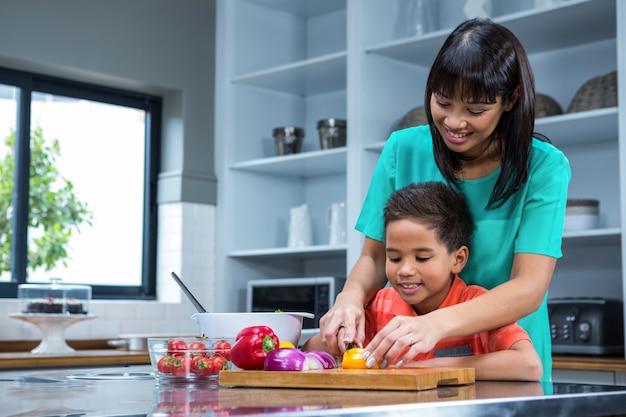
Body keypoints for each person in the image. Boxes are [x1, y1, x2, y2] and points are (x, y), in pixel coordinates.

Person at [318, 17, 571, 382]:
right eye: (443, 101)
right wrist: (349, 299)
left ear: (511, 99)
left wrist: (435, 325)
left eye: (475, 110)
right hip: (415, 366)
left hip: (503, 365)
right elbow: (373, 258)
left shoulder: (545, 167)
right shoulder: (402, 149)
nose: (454, 122)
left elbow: (528, 287)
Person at [305, 182, 543, 381]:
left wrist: (422, 369)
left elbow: (529, 365)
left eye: (422, 257)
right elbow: (310, 350)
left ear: (458, 259)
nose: (405, 270)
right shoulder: (380, 307)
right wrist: (335, 336)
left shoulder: (476, 304)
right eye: (394, 257)